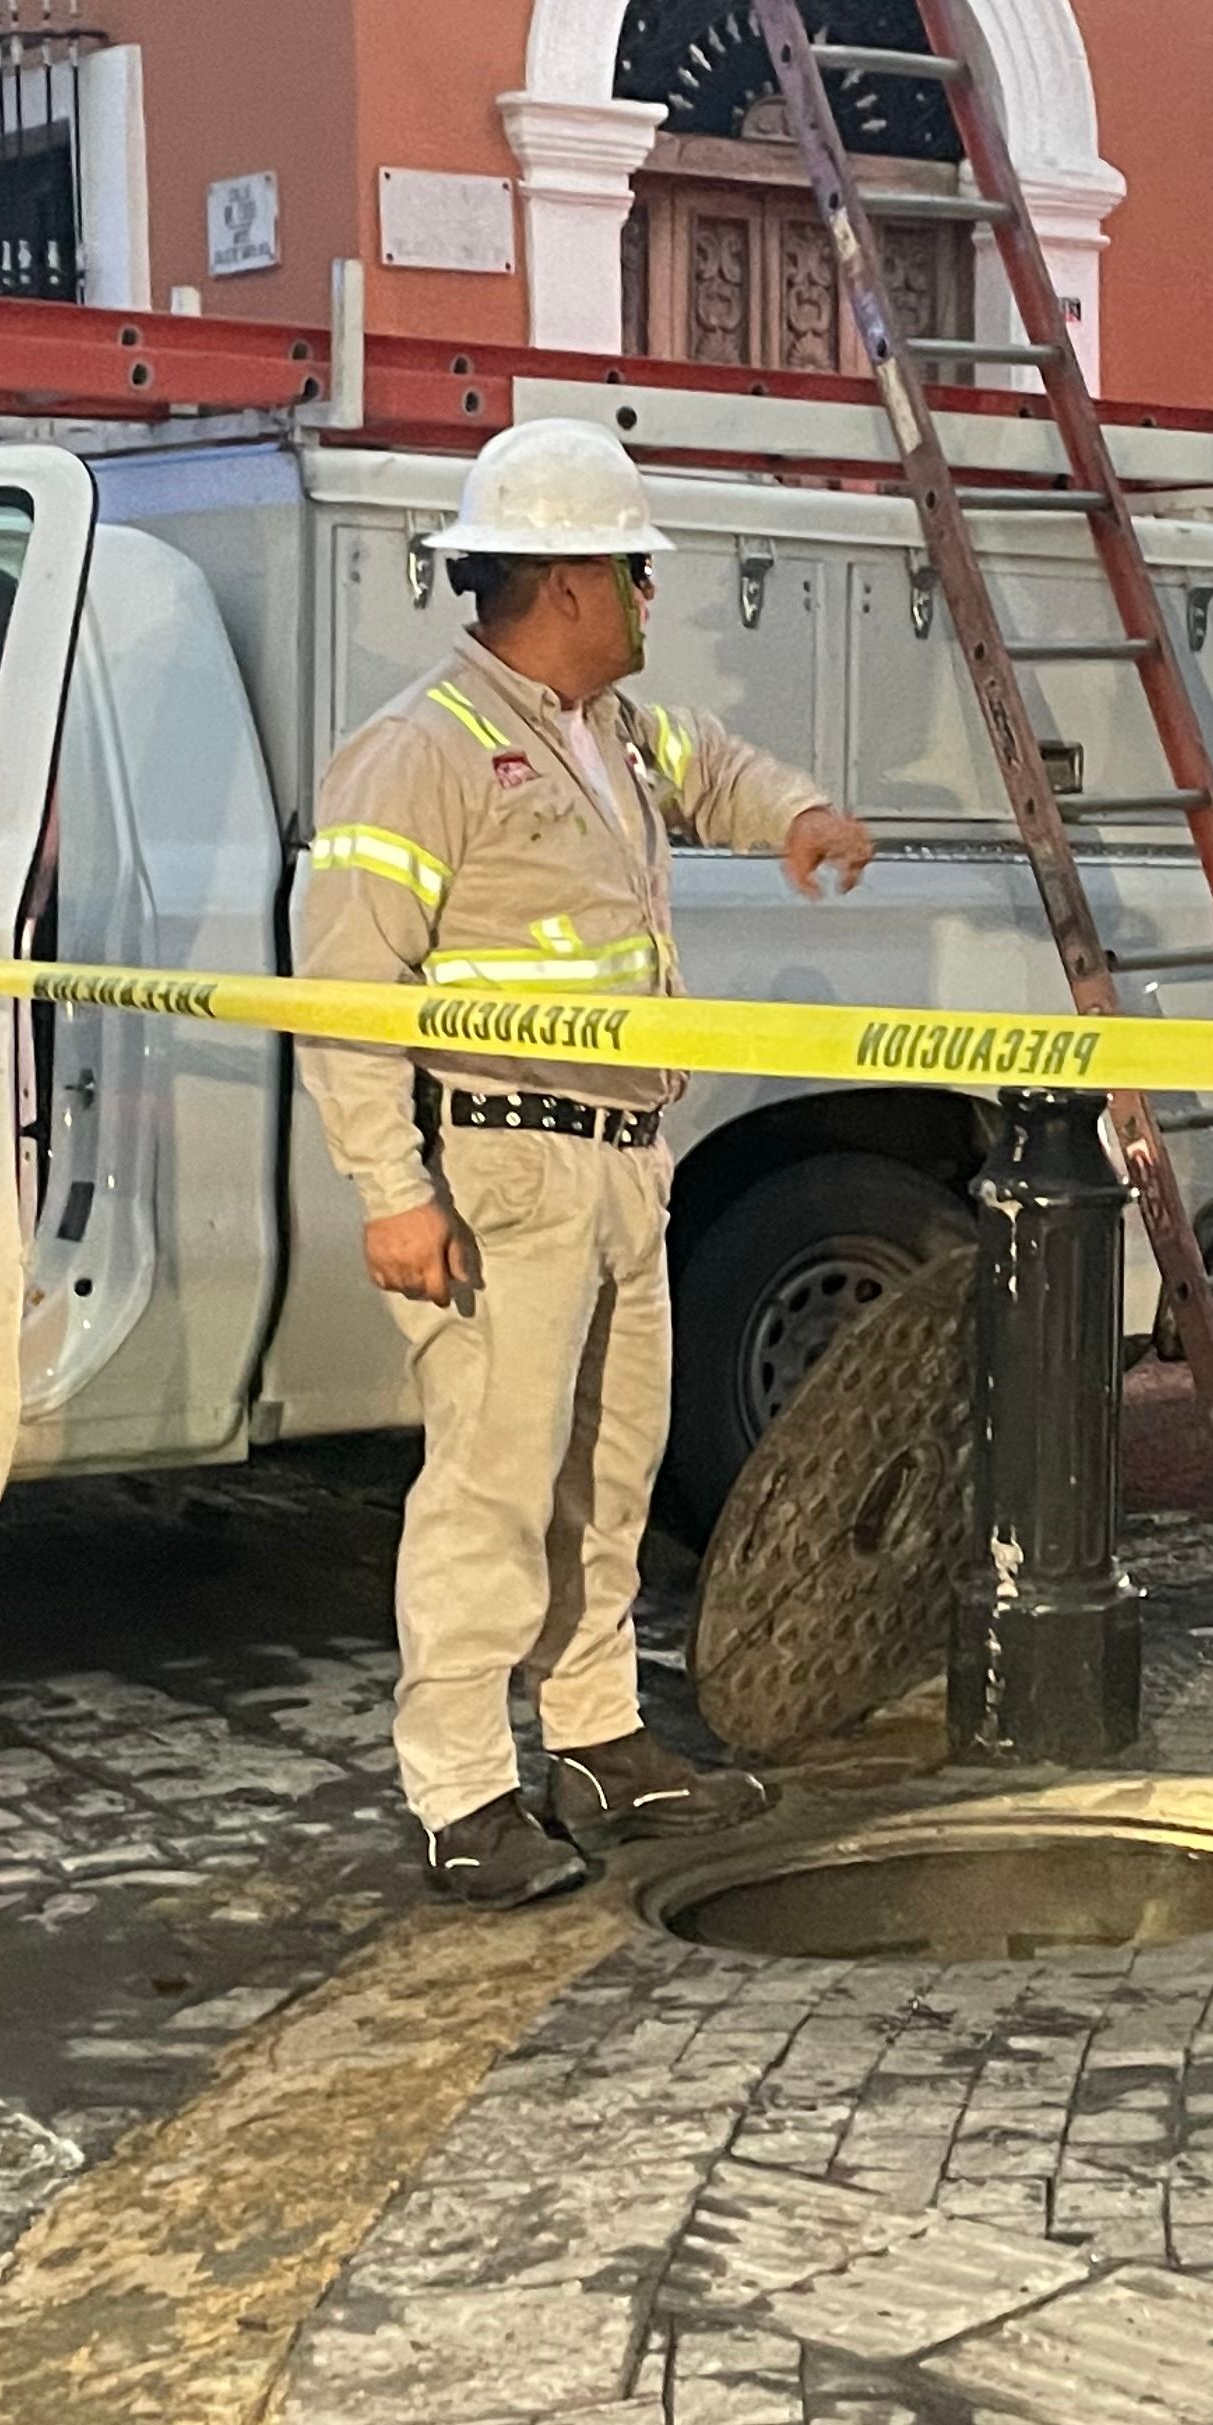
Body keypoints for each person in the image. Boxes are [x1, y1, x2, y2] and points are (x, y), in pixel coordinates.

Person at [296, 417, 878, 1907]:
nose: (647, 598)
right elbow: (344, 992)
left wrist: (797, 814)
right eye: (631, 572)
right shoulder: (419, 754)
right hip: (503, 1175)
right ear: (563, 582)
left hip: (622, 1161)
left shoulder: (609, 734)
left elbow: (716, 767)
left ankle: (598, 1735)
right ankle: (461, 1787)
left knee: (607, 1478)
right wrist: (392, 1194)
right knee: (489, 1488)